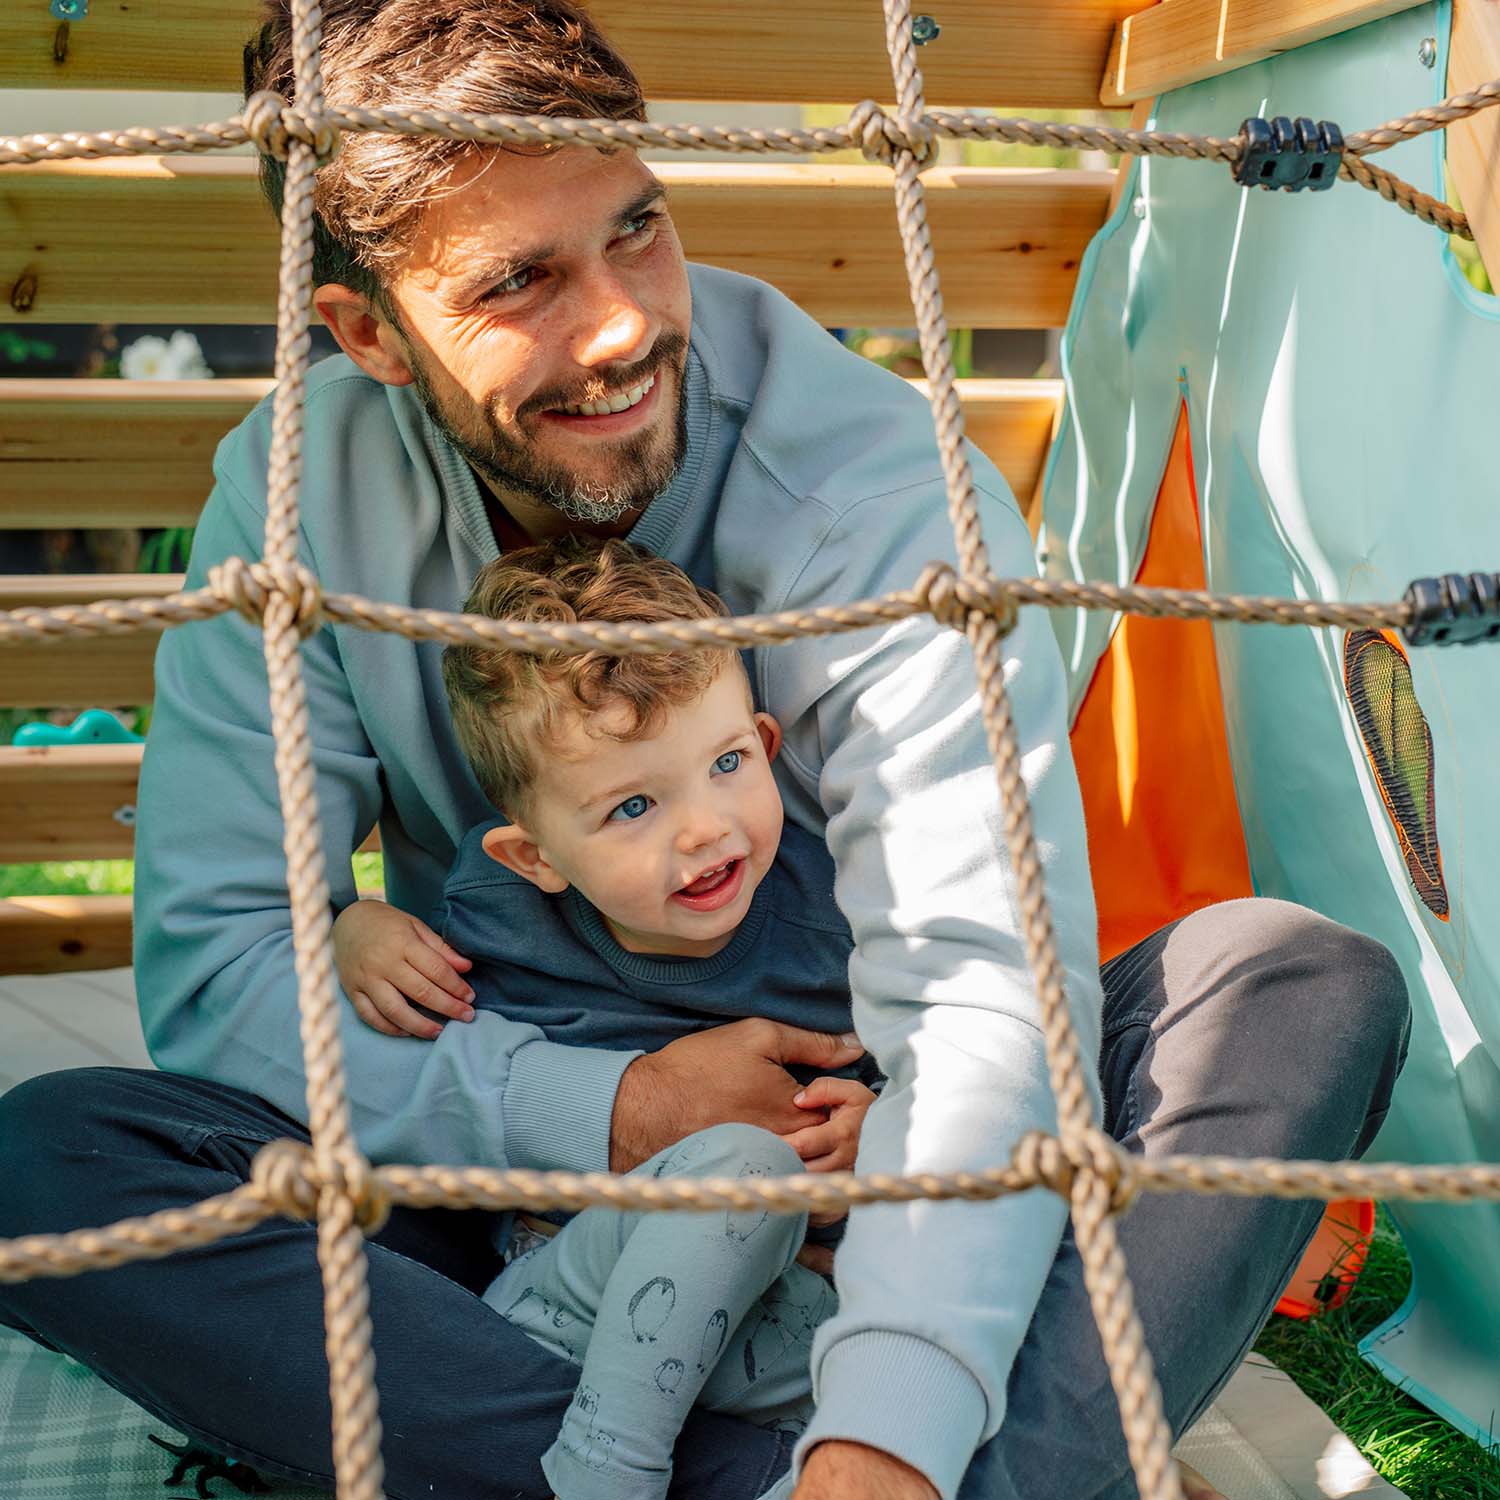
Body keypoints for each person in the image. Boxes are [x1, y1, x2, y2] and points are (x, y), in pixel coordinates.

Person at [0, 2, 1410, 1498]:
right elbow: (222, 965)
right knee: (58, 1163)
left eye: (637, 230)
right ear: (370, 336)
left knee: (1296, 987)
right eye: (519, 281)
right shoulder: (298, 493)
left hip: (863, 1159)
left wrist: (877, 1450)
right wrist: (620, 1114)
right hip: (514, 1205)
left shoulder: (881, 504)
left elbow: (979, 1001)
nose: (619, 326)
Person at [335, 536, 874, 1500]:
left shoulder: (833, 913)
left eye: (724, 763)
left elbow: (900, 1077)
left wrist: (873, 1133)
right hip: (559, 1290)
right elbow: (404, 1015)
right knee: (741, 1166)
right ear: (532, 856)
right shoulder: (501, 910)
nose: (704, 826)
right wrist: (360, 927)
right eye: (633, 804)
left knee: (948, 1300)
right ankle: (602, 1472)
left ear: (766, 742)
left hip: (777, 1303)